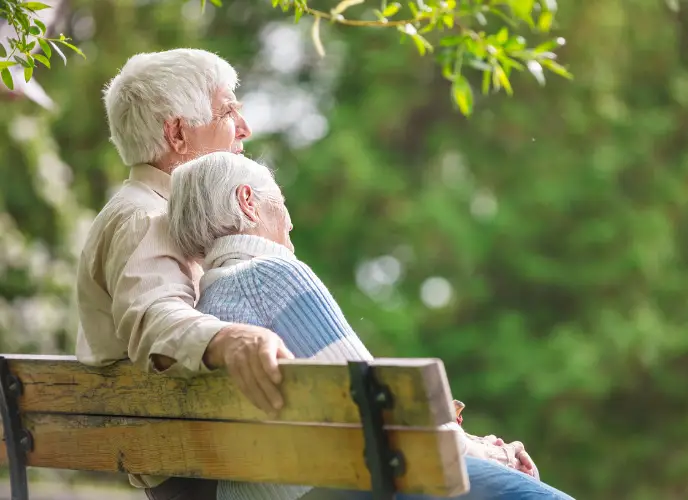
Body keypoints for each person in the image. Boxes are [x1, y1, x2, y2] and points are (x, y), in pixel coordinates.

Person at [167, 151, 575, 500]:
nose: (290, 220)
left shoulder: (205, 309)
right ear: (248, 202)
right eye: (282, 201)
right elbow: (387, 417)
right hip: (337, 487)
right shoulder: (273, 275)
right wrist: (494, 453)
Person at [74, 49, 294, 500]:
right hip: (204, 472)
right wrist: (231, 339)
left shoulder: (167, 215)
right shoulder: (146, 218)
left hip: (208, 455)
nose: (245, 129)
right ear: (177, 133)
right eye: (229, 111)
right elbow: (156, 318)